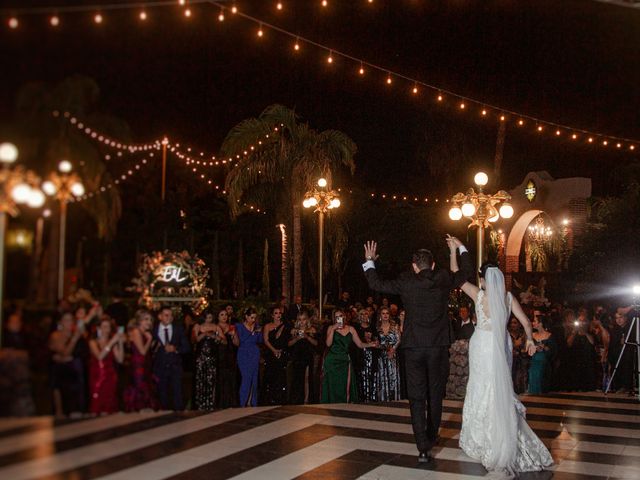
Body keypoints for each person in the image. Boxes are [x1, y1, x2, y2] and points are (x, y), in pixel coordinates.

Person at [362, 237, 472, 462]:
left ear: (414, 266)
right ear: (432, 265)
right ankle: (431, 437)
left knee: (416, 397)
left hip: (413, 347)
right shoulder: (442, 278)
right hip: (438, 347)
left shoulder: (406, 281)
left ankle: (422, 446)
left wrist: (369, 261)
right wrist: (460, 248)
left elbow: (376, 284)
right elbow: (466, 273)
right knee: (435, 396)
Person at [451, 249, 553, 475]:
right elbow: (526, 322)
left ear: (483, 279)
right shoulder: (508, 298)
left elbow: (456, 274)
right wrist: (529, 340)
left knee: (480, 386)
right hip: (501, 343)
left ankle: (480, 439)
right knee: (499, 388)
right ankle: (503, 434)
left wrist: (455, 249)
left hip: (482, 344)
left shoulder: (478, 295)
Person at [321, 309, 376, 403]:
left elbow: (359, 344)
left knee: (344, 385)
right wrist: (333, 329)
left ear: (344, 317)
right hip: (332, 361)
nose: (339, 318)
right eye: (337, 317)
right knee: (332, 385)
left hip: (345, 360)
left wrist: (370, 344)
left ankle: (344, 406)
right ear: (334, 319)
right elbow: (328, 344)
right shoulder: (331, 328)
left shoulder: (351, 329)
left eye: (341, 316)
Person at [49, 312, 89, 416]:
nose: (69, 323)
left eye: (71, 320)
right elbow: (65, 352)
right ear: (60, 322)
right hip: (62, 372)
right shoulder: (56, 335)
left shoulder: (78, 333)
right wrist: (74, 338)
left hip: (77, 372)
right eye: (66, 320)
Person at [152, 306, 190, 410]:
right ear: (160, 316)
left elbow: (186, 347)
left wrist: (175, 348)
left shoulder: (178, 329)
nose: (169, 317)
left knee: (177, 391)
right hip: (160, 366)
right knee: (161, 392)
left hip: (175, 366)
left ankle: (179, 415)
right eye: (166, 315)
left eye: (171, 315)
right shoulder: (153, 330)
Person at [89, 317, 124, 414]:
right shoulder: (93, 342)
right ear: (98, 328)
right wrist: (112, 341)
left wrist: (120, 342)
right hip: (98, 376)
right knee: (97, 400)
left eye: (108, 327)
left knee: (110, 401)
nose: (106, 329)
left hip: (110, 375)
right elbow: (100, 356)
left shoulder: (112, 342)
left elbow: (120, 359)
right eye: (103, 327)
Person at [124, 309, 158, 411]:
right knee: (140, 388)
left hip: (145, 364)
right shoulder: (136, 331)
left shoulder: (145, 332)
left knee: (146, 387)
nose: (149, 322)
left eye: (150, 319)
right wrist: (149, 340)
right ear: (139, 320)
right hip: (138, 365)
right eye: (146, 319)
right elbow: (142, 351)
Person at [192, 310, 226, 411]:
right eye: (207, 317)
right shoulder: (198, 326)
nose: (208, 320)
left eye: (210, 317)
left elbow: (224, 341)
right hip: (200, 358)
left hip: (212, 357)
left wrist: (215, 336)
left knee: (211, 380)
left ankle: (211, 403)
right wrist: (204, 334)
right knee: (200, 380)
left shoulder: (216, 327)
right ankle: (200, 404)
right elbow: (194, 340)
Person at [232, 307, 263, 407]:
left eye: (255, 318)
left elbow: (260, 340)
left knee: (254, 379)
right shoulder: (239, 326)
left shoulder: (257, 326)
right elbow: (239, 342)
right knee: (246, 378)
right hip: (243, 353)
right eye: (251, 318)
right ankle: (242, 403)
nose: (253, 320)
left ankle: (252, 402)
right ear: (246, 317)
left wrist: (259, 332)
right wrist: (252, 332)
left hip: (254, 353)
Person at [263, 306, 290, 405]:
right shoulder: (267, 326)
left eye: (279, 313)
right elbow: (266, 340)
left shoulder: (285, 326)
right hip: (270, 354)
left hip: (281, 354)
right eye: (276, 313)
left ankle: (280, 399)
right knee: (270, 376)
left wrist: (280, 351)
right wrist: (273, 350)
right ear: (272, 315)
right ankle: (270, 399)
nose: (278, 315)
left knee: (280, 377)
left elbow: (287, 340)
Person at [289, 311, 318, 404]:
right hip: (297, 357)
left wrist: (306, 336)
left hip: (308, 356)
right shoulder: (294, 330)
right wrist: (297, 338)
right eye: (300, 319)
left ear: (307, 320)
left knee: (307, 378)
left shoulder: (312, 329)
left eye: (304, 319)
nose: (302, 322)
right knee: (297, 378)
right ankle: (298, 399)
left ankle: (306, 399)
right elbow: (289, 344)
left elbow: (316, 343)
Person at [376, 307, 401, 401]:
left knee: (393, 376)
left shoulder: (395, 326)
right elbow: (377, 342)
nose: (385, 315)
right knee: (382, 376)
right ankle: (383, 398)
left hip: (393, 355)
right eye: (383, 313)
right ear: (380, 315)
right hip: (381, 356)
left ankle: (394, 398)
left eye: (387, 313)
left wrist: (392, 350)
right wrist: (378, 345)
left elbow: (399, 340)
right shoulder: (377, 328)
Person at [215, 308, 239, 408]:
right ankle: (220, 403)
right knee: (220, 379)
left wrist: (233, 335)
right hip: (219, 355)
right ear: (217, 317)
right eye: (222, 315)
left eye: (225, 315)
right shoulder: (215, 327)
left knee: (231, 379)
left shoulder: (232, 327)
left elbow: (237, 344)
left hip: (230, 355)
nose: (224, 317)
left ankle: (231, 402)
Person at [528, 313, 556, 394]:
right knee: (532, 377)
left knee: (541, 380)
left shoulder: (549, 335)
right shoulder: (532, 335)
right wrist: (533, 347)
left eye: (535, 321)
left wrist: (544, 348)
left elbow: (553, 351)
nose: (533, 323)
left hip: (544, 362)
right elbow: (526, 349)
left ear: (541, 323)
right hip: (533, 361)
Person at [353, 309, 378, 402]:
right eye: (362, 314)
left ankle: (372, 398)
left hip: (371, 356)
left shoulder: (372, 327)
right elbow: (355, 344)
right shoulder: (355, 327)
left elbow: (377, 341)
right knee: (360, 377)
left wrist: (371, 341)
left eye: (366, 313)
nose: (364, 315)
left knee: (371, 376)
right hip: (360, 356)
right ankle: (361, 398)